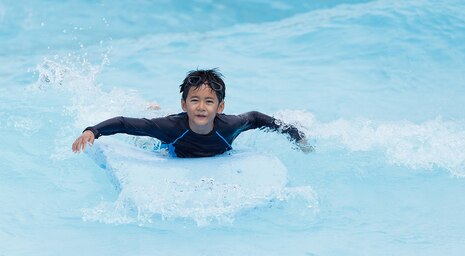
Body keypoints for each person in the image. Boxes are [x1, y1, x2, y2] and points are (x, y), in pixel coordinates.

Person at [71, 69, 313, 157]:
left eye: (209, 101)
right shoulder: (169, 128)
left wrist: (295, 134)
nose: (201, 107)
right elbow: (126, 123)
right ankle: (150, 106)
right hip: (169, 149)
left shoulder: (229, 125)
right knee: (142, 139)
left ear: (220, 107)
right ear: (184, 104)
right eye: (194, 100)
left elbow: (257, 118)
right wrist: (93, 131)